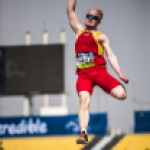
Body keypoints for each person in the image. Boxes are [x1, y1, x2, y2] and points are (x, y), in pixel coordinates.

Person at [66, 0, 129, 144]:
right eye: (88, 15)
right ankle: (83, 132)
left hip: (100, 73)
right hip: (83, 76)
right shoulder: (78, 31)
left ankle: (121, 87)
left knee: (121, 95)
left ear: (98, 21)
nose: (90, 18)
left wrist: (120, 73)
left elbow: (111, 55)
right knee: (83, 100)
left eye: (94, 17)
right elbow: (70, 10)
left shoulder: (101, 37)